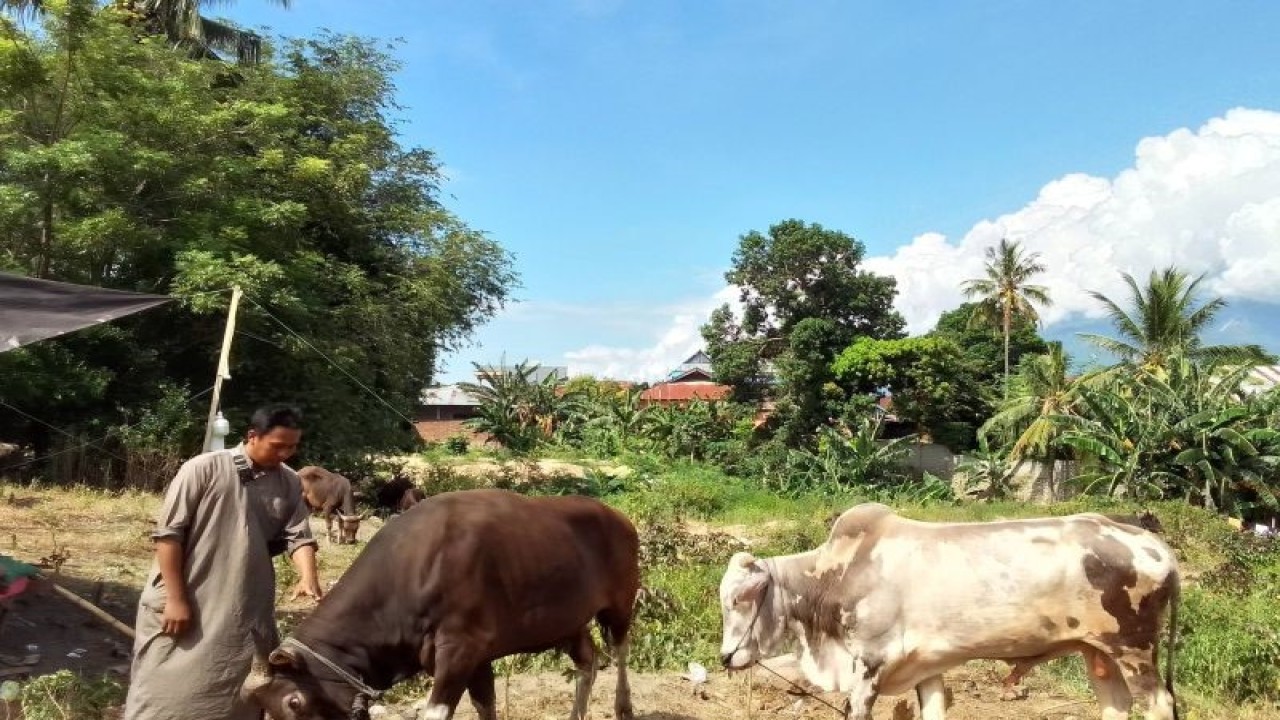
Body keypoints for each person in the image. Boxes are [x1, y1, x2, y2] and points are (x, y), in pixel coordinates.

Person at [123, 405, 323, 720]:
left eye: (293, 446)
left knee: (236, 693)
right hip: (186, 599)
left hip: (242, 607)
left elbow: (299, 537)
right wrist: (176, 599)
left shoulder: (288, 483)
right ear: (252, 436)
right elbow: (168, 536)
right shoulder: (202, 469)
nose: (286, 453)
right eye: (278, 445)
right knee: (163, 692)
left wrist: (307, 577)